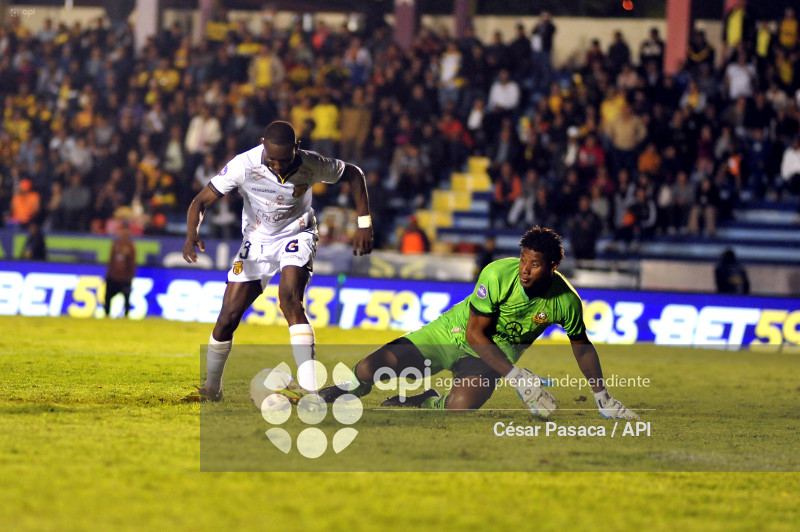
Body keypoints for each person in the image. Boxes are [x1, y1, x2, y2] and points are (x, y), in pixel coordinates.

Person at [319, 227, 638, 419]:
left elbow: (582, 348)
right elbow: (474, 333)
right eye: (523, 259)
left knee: (459, 406)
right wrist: (517, 378)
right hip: (452, 333)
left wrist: (602, 398)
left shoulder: (565, 301)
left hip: (494, 356)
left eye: (535, 264)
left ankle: (424, 400)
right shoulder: (497, 273)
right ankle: (350, 388)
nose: (525, 269)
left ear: (553, 266)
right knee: (368, 368)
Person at [183, 121, 373, 401]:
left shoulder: (312, 163)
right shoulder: (243, 165)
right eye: (271, 159)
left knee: (290, 300)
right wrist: (192, 234)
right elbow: (201, 201)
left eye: (283, 160)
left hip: (297, 234)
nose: (277, 166)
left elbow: (354, 174)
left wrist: (364, 223)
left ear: (297, 148)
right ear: (263, 145)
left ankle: (310, 392)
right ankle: (212, 388)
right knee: (227, 317)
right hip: (256, 242)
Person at [105, 222, 136, 318]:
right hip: (113, 277)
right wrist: (109, 274)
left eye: (126, 230)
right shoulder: (116, 244)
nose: (124, 233)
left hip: (125, 278)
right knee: (108, 297)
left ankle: (126, 316)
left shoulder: (131, 246)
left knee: (126, 298)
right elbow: (111, 261)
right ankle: (107, 315)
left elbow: (132, 263)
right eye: (123, 230)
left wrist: (130, 277)